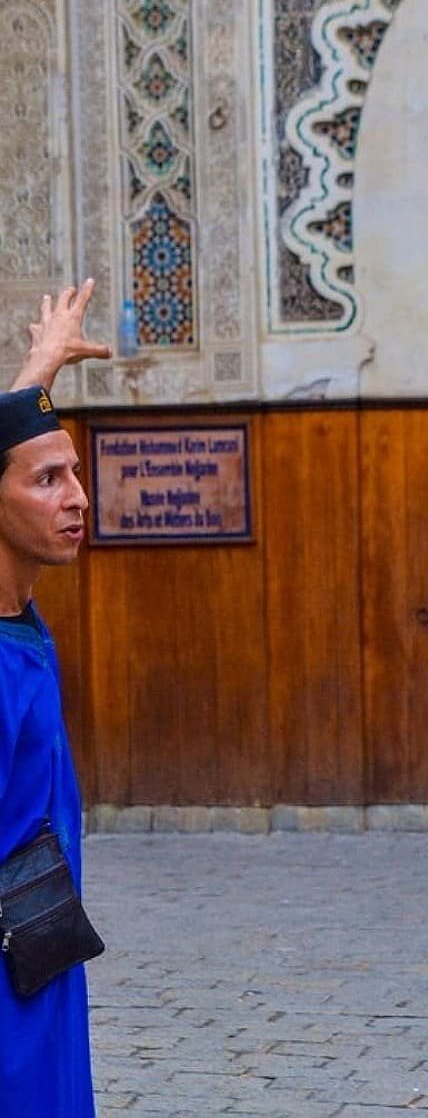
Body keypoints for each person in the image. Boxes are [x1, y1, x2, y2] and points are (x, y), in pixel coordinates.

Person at [0, 280, 109, 1116]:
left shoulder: (21, 621)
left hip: (39, 956)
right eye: (47, 480)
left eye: (74, 473)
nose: (76, 496)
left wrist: (41, 366)